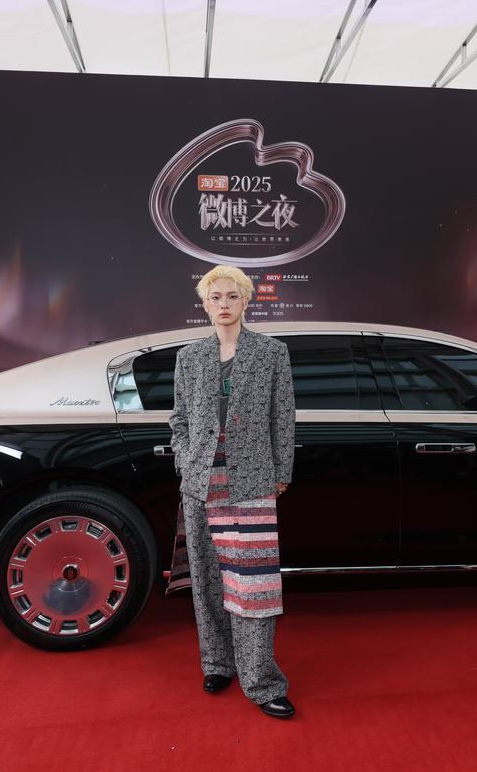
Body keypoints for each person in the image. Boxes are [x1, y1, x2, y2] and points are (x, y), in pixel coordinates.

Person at [167, 264, 297, 719]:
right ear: (205, 304)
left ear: (246, 301)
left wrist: (281, 470)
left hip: (252, 480)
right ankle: (218, 665)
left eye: (232, 296)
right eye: (215, 297)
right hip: (201, 481)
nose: (224, 304)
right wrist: (186, 461)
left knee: (254, 585)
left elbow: (283, 415)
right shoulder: (189, 357)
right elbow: (179, 419)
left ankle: (261, 681)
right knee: (207, 580)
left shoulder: (272, 352)